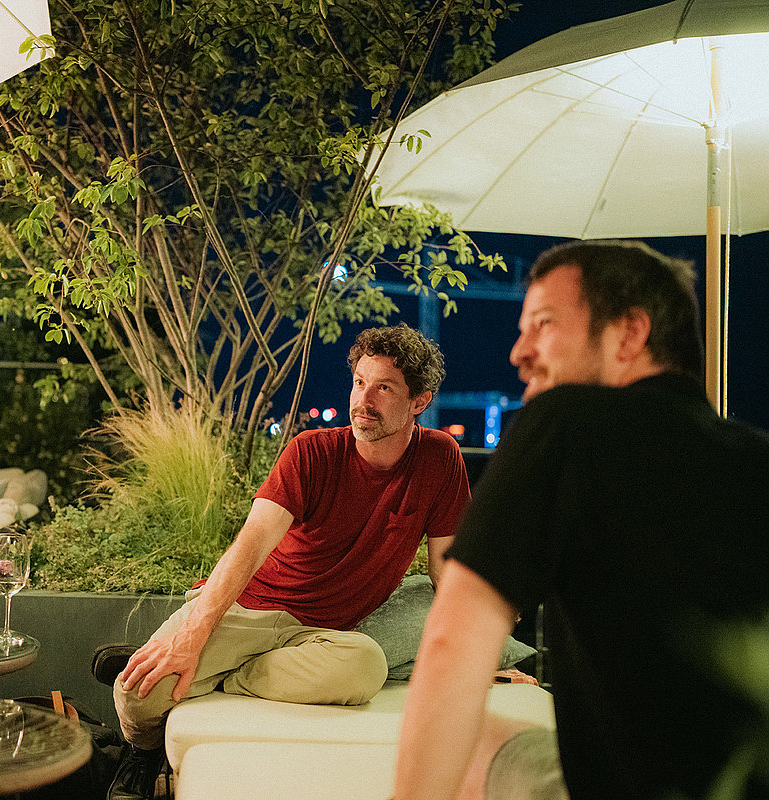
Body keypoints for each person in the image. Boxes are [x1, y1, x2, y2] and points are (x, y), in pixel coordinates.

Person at [393, 240, 769, 800]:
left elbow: (453, 642)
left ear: (629, 334)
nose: (519, 352)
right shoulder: (755, 457)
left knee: (473, 741)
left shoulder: (566, 423)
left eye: (543, 324)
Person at [108, 324, 471, 800]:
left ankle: (222, 675)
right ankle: (140, 753)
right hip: (251, 608)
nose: (364, 400)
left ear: (419, 401)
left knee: (366, 666)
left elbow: (448, 572)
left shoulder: (440, 458)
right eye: (359, 382)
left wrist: (477, 660)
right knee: (136, 694)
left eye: (384, 388)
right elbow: (252, 542)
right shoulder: (312, 452)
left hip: (321, 635)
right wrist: (193, 636)